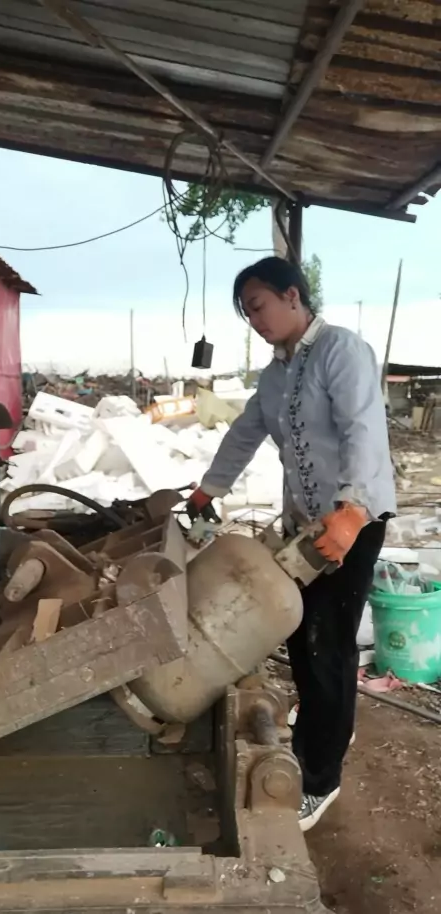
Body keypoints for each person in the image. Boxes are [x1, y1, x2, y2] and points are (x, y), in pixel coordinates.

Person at [187, 256, 396, 832]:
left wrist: (353, 511)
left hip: (352, 523)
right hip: (308, 526)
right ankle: (325, 727)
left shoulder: (341, 350)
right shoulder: (276, 374)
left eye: (259, 306)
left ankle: (320, 780)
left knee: (329, 645)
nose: (255, 321)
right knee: (304, 637)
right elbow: (245, 433)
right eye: (247, 314)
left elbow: (362, 430)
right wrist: (208, 489)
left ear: (292, 296)